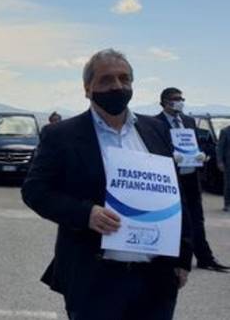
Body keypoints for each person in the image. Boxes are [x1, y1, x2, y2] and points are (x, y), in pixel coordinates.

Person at [21, 49, 192, 320]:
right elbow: (35, 191)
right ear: (88, 88)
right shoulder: (61, 135)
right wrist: (85, 214)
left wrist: (183, 258)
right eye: (106, 80)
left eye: (124, 79)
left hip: (156, 279)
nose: (117, 86)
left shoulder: (156, 130)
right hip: (94, 279)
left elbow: (176, 196)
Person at [155, 88, 229, 272]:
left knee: (197, 219)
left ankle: (205, 258)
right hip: (171, 179)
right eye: (175, 99)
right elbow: (153, 149)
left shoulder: (188, 121)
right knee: (174, 220)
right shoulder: (155, 123)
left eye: (181, 98)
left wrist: (202, 155)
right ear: (164, 102)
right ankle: (176, 260)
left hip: (191, 177)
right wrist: (170, 157)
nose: (180, 101)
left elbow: (198, 144)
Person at [217, 125, 230, 212]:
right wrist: (220, 162)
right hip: (228, 163)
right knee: (228, 184)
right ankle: (227, 204)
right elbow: (220, 147)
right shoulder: (225, 131)